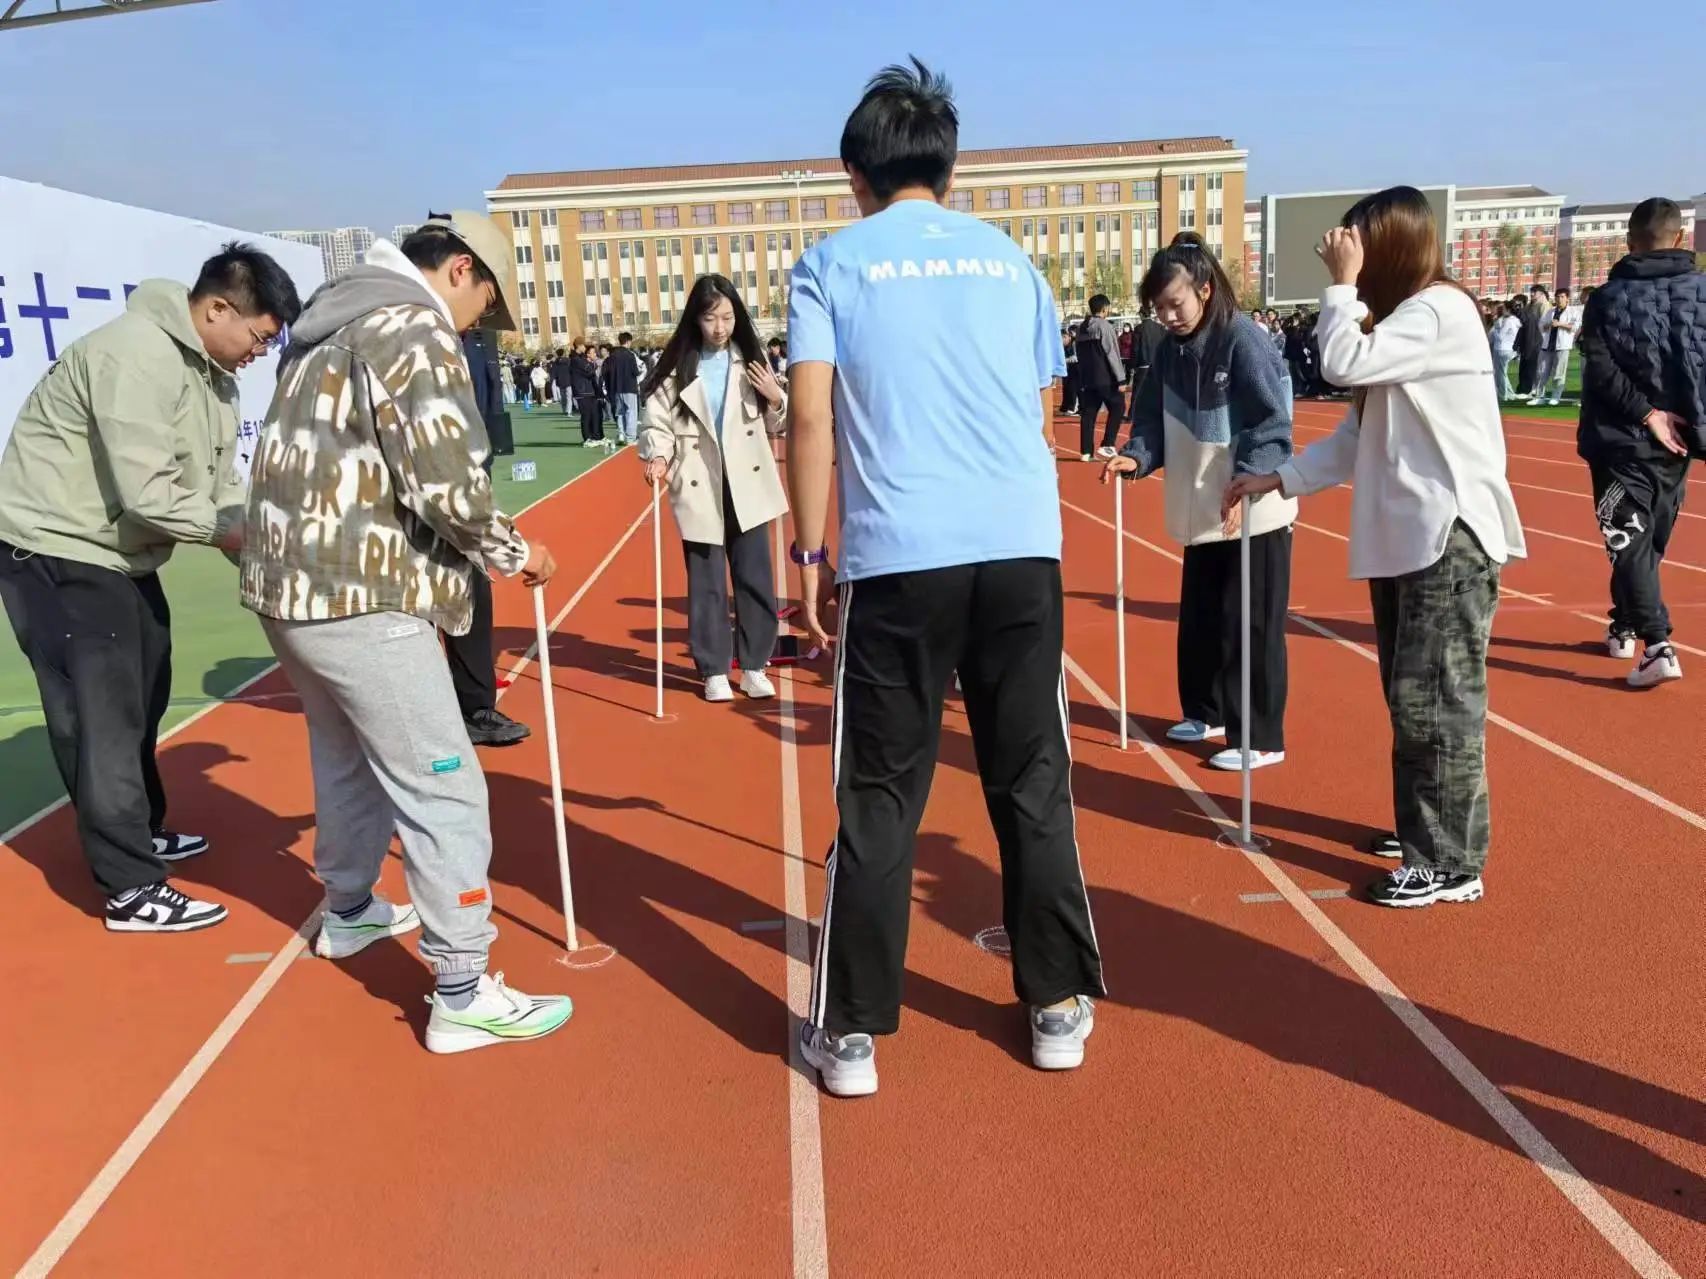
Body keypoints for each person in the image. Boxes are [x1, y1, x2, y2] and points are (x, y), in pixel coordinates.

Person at [787, 58, 1103, 1097]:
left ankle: (851, 1035)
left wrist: (808, 553)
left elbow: (809, 416)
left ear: (855, 173)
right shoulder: (1011, 262)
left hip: (899, 555)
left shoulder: (830, 264)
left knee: (881, 796)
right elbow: (1044, 409)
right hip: (1019, 548)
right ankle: (1055, 1004)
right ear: (950, 170)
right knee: (1031, 776)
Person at [241, 214, 573, 1053]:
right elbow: (448, 486)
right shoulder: (413, 326)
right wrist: (516, 552)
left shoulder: (332, 317)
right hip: (362, 592)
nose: (478, 325)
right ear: (461, 269)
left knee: (345, 755)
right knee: (443, 784)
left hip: (289, 589)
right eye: (485, 305)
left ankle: (350, 906)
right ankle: (462, 985)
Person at [1227, 186, 1527, 909]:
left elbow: (1339, 365)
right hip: (1412, 542)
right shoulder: (1405, 324)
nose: (1347, 253)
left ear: (1390, 246)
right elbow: (1356, 437)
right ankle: (1429, 829)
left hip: (1447, 538)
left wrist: (1340, 285)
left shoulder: (1438, 310)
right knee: (1413, 697)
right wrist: (1282, 478)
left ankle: (1449, 862)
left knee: (1437, 703)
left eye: (1359, 243)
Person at [0, 244, 301, 933]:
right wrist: (241, 538)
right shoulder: (134, 355)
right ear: (218, 309)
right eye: (259, 337)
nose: (260, 353)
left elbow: (223, 492)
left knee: (146, 688)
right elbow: (149, 494)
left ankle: (139, 830)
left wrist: (267, 559)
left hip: (116, 554)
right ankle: (130, 888)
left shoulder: (215, 378)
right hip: (56, 547)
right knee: (103, 714)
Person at [1102, 232, 1295, 771]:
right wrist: (1136, 457)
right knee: (1202, 619)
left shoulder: (1243, 340)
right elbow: (1149, 419)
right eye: (1158, 307)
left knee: (1250, 624)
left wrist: (1250, 476)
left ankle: (1260, 735)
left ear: (1205, 290)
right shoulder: (1168, 351)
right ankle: (1205, 711)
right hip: (1201, 505)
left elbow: (1273, 422)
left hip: (1251, 509)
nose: (1166, 316)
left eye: (1175, 304)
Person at [638, 276, 788, 701]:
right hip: (699, 480)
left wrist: (776, 397)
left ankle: (755, 664)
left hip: (748, 481)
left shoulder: (752, 361)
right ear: (695, 320)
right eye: (710, 318)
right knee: (706, 582)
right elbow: (656, 423)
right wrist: (658, 455)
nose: (720, 327)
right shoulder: (676, 370)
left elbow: (778, 423)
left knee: (754, 577)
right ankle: (714, 669)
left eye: (727, 317)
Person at [1576, 196, 1705, 687]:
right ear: (1680, 238)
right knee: (1641, 541)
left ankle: (1656, 645)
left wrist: (1647, 414)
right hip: (1676, 441)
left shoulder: (1606, 299)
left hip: (1621, 436)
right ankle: (1630, 624)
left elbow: (1601, 369)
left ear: (1629, 241)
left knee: (1630, 539)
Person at [1075, 293, 1127, 461]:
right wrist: (1121, 379)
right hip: (1105, 377)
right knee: (1118, 406)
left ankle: (1086, 452)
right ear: (1104, 309)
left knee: (1089, 413)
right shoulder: (1105, 326)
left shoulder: (1081, 329)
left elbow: (1079, 354)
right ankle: (1108, 444)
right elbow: (1112, 353)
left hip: (1088, 378)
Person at [1532, 287, 1582, 406]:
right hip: (1547, 345)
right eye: (1557, 297)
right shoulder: (1550, 312)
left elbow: (1575, 327)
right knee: (1541, 372)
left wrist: (1560, 324)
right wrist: (1549, 325)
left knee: (1559, 373)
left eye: (1562, 297)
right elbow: (1541, 325)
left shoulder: (1573, 312)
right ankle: (1539, 396)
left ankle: (1555, 397)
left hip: (1562, 346)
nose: (1559, 299)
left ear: (1567, 299)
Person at [602, 331, 643, 445]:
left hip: (616, 388)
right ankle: (631, 437)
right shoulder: (630, 355)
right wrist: (640, 370)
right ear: (628, 341)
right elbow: (635, 371)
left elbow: (607, 372)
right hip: (629, 387)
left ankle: (621, 434)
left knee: (620, 412)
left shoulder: (612, 356)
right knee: (631, 412)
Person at [570, 341, 607, 447]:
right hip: (582, 391)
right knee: (586, 415)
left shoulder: (580, 359)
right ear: (579, 346)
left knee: (593, 415)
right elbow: (588, 371)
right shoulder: (576, 359)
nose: (595, 354)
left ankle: (596, 437)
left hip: (589, 391)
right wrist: (594, 365)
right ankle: (587, 439)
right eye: (583, 345)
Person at [1516, 285, 1547, 396]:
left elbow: (1543, 323)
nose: (1532, 294)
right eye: (1531, 291)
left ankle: (1529, 388)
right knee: (1524, 365)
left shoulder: (1543, 305)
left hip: (1537, 339)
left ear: (1541, 293)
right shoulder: (1529, 305)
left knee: (1532, 366)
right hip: (1527, 338)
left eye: (1535, 292)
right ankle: (1522, 388)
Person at [1490, 299, 1522, 400]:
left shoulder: (1508, 321)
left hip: (1502, 349)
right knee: (1502, 373)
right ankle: (1509, 393)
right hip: (1507, 348)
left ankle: (1504, 394)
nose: (1501, 310)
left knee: (1501, 374)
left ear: (1508, 310)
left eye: (1503, 308)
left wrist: (1495, 328)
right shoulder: (1515, 320)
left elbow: (1500, 336)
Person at [1059, 325, 1080, 415]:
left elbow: (1076, 358)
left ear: (1068, 337)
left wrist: (1065, 360)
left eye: (1063, 337)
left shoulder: (1074, 343)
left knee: (1073, 388)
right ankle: (1065, 407)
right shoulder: (1062, 346)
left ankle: (1073, 407)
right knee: (1066, 387)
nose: (1062, 340)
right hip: (1067, 369)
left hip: (1076, 369)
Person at [550, 345, 574, 413]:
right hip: (568, 380)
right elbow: (571, 370)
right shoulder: (568, 361)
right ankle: (569, 411)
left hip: (560, 381)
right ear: (563, 353)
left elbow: (553, 372)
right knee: (569, 397)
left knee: (563, 397)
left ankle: (564, 410)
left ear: (557, 354)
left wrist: (552, 378)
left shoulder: (555, 363)